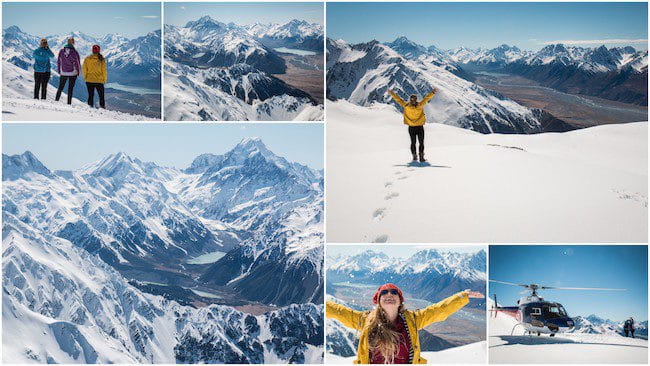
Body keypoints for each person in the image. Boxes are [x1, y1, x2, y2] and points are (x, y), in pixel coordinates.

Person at [326, 283, 484, 364]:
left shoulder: (413, 320)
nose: (389, 294)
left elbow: (439, 311)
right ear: (378, 301)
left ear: (400, 301)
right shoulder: (365, 320)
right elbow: (338, 311)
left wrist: (462, 297)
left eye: (394, 292)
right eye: (384, 293)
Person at [387, 88, 438, 162]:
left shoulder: (406, 106)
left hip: (411, 127)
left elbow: (398, 100)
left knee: (413, 142)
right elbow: (426, 98)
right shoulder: (420, 105)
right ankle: (421, 157)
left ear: (410, 100)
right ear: (416, 99)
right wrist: (433, 92)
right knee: (421, 142)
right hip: (420, 127)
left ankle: (414, 156)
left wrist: (391, 93)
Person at [55, 37, 81, 105]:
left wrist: (59, 70)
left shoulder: (61, 51)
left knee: (60, 87)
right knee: (70, 89)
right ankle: (68, 103)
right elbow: (77, 63)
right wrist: (78, 72)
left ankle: (56, 101)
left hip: (63, 72)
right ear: (73, 43)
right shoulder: (74, 52)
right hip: (73, 73)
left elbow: (58, 61)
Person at [82, 44, 107, 108]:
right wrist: (104, 79)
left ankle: (90, 107)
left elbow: (84, 69)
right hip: (99, 80)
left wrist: (85, 77)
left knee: (90, 95)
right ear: (99, 51)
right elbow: (104, 70)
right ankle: (102, 107)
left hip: (89, 80)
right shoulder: (102, 59)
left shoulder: (87, 59)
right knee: (101, 95)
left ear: (92, 50)